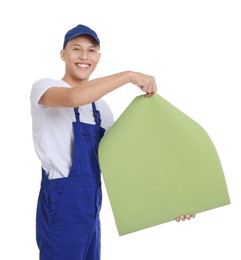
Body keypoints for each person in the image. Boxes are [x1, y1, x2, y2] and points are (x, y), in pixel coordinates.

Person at [30, 24, 195, 260]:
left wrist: (175, 202)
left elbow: (124, 164)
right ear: (63, 54)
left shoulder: (101, 109)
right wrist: (128, 75)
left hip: (91, 208)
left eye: (91, 50)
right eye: (76, 49)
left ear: (98, 57)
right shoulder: (45, 87)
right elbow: (73, 97)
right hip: (62, 205)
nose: (84, 57)